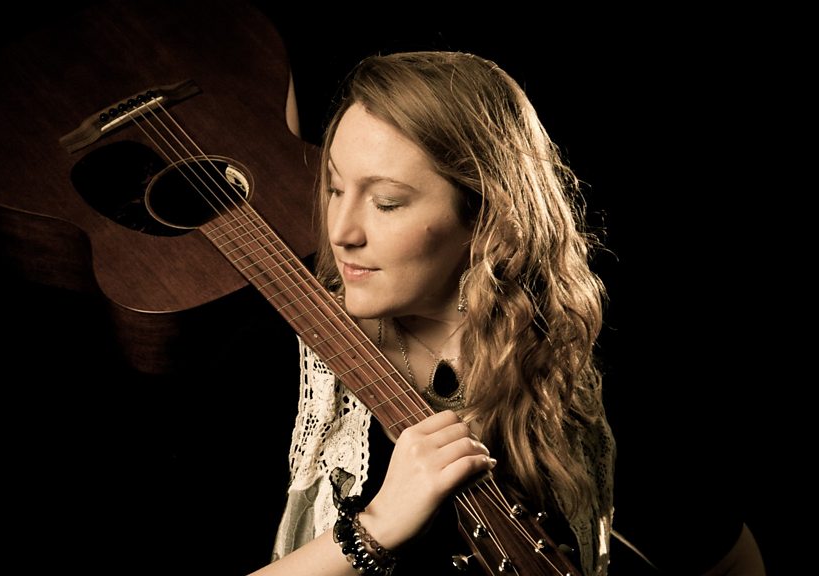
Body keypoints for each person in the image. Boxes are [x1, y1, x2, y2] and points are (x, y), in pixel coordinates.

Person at [249, 50, 615, 576]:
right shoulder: (270, 355)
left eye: (386, 202)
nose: (341, 231)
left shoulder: (560, 354)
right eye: (334, 188)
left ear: (485, 214)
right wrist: (375, 527)